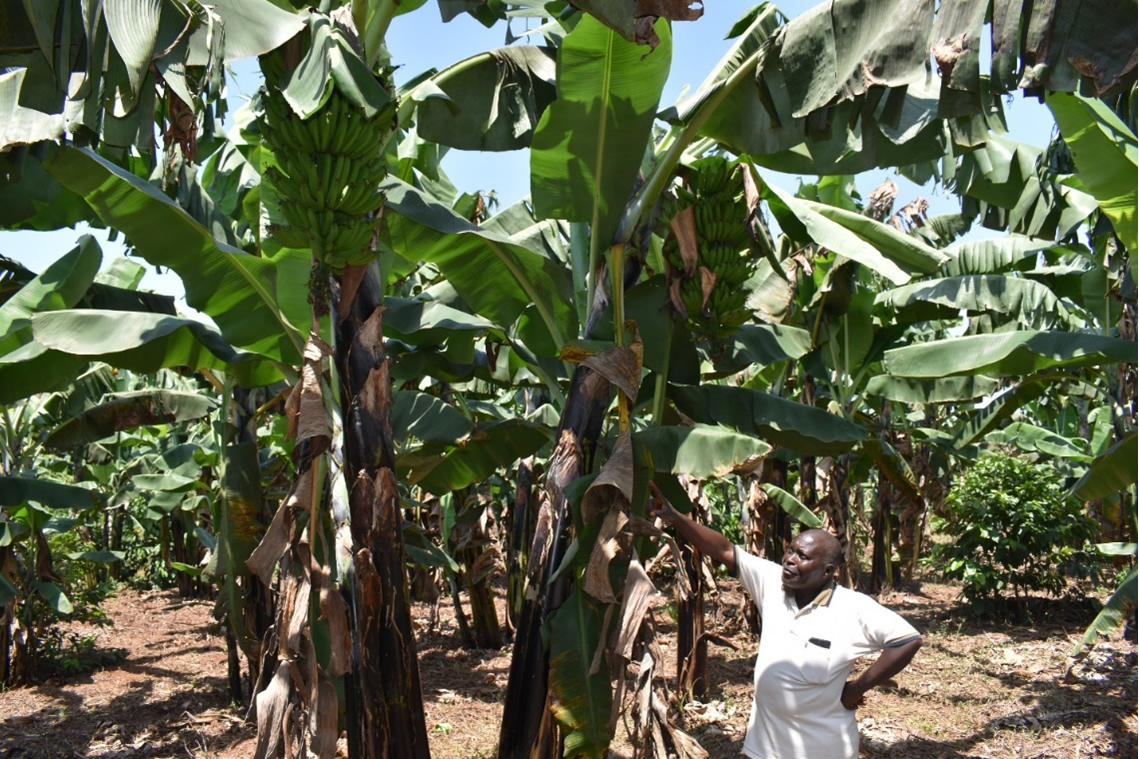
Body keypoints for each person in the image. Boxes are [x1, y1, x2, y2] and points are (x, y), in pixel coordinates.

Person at [649, 482, 922, 759]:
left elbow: (908, 640)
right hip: (764, 748)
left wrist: (857, 687)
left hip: (823, 750)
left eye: (802, 557)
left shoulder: (852, 608)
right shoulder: (772, 582)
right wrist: (675, 517)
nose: (790, 560)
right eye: (791, 550)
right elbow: (724, 550)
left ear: (827, 571)